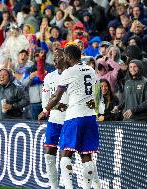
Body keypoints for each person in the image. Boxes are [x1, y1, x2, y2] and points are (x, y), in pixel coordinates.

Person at [38, 45, 100, 189]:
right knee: (87, 155)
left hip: (73, 117)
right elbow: (97, 92)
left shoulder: (69, 72)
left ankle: (69, 187)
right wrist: (97, 107)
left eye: (63, 56)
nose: (60, 59)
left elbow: (55, 97)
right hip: (89, 116)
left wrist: (45, 110)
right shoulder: (90, 69)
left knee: (65, 154)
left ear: (68, 57)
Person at [40, 48, 68, 189]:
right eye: (54, 57)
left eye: (59, 57)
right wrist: (53, 107)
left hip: (69, 121)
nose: (56, 60)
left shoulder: (72, 75)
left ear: (66, 58)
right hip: (54, 120)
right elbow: (45, 101)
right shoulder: (49, 77)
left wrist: (64, 105)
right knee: (48, 154)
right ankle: (54, 186)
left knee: (65, 157)